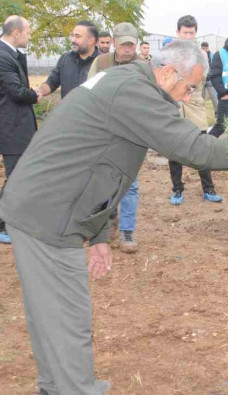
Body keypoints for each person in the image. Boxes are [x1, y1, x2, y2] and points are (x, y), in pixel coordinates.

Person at [0, 40, 228, 395]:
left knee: (47, 311)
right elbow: (191, 147)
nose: (190, 96)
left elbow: (106, 165)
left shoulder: (126, 83)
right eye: (189, 87)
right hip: (48, 215)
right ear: (168, 72)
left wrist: (98, 232)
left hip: (43, 205)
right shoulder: (132, 91)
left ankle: (56, 390)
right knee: (68, 318)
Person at [87, 22, 140, 252]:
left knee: (130, 184)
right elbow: (88, 92)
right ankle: (104, 228)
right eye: (124, 43)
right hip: (104, 131)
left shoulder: (143, 66)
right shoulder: (101, 63)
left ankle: (127, 231)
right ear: (115, 43)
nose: (128, 48)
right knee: (101, 182)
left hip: (131, 135)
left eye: (131, 44)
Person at [0, 16, 40, 245]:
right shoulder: (0, 56)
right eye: (27, 32)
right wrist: (35, 94)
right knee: (15, 179)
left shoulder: (10, 54)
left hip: (19, 128)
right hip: (12, 130)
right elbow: (17, 92)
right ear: (16, 33)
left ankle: (16, 222)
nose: (30, 36)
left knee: (22, 177)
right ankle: (0, 227)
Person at [170, 15, 223, 205]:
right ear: (178, 33)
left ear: (195, 33)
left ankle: (209, 189)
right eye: (185, 32)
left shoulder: (201, 55)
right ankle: (177, 190)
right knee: (174, 151)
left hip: (195, 106)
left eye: (191, 33)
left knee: (202, 148)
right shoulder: (169, 54)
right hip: (174, 107)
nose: (188, 36)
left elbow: (204, 79)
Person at [39, 21, 98, 99]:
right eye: (72, 36)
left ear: (91, 41)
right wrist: (39, 92)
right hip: (67, 110)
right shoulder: (65, 59)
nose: (73, 40)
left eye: (78, 36)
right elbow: (52, 82)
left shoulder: (102, 62)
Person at [201, 41, 219, 108]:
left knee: (214, 96)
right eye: (203, 48)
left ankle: (217, 112)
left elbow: (216, 67)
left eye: (206, 48)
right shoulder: (199, 56)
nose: (205, 50)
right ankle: (201, 110)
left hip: (210, 80)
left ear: (208, 48)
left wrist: (212, 75)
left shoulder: (212, 55)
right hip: (201, 80)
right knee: (201, 98)